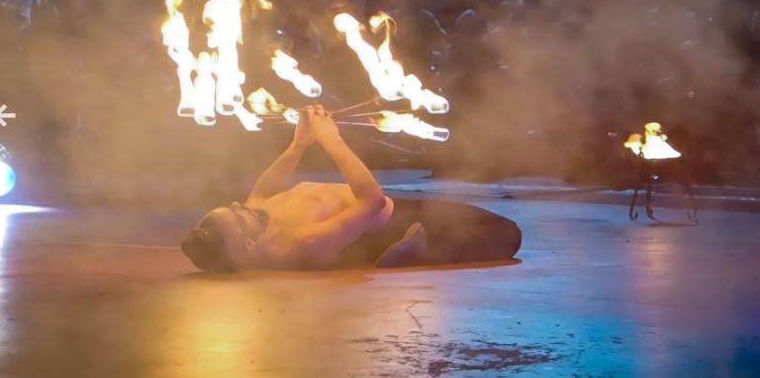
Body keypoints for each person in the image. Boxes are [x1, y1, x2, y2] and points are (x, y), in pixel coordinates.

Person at [181, 105, 522, 271]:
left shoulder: (256, 214)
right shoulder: (301, 242)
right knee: (507, 234)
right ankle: (400, 257)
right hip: (392, 226)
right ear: (249, 245)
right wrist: (331, 140)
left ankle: (412, 251)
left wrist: (298, 145)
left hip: (396, 208)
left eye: (234, 205)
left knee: (472, 222)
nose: (241, 205)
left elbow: (263, 189)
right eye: (238, 215)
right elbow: (372, 202)